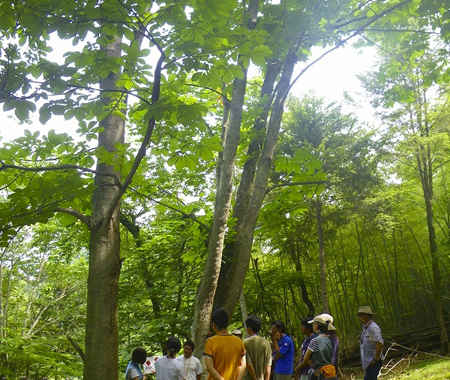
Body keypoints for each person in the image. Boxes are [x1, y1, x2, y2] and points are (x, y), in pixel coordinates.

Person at [203, 308, 246, 380]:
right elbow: (244, 364)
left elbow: (209, 367)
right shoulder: (239, 341)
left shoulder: (210, 342)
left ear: (213, 324)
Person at [295, 315, 336, 380]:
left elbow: (305, 360)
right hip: (329, 373)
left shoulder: (314, 341)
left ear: (318, 325)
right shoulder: (331, 339)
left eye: (314, 323)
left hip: (318, 374)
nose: (312, 325)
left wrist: (297, 370)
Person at [358, 306, 383, 380]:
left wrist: (375, 359)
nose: (359, 317)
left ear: (367, 315)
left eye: (361, 314)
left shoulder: (373, 327)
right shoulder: (365, 327)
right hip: (368, 362)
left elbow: (380, 343)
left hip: (373, 361)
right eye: (359, 315)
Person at [243, 315, 272, 380]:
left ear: (249, 328)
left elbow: (249, 364)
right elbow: (268, 366)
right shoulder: (266, 343)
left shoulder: (245, 343)